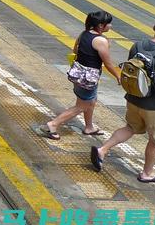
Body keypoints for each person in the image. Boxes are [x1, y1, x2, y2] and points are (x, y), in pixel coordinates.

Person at [92, 16, 155, 182]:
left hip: (133, 98)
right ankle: (147, 174)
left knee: (130, 127)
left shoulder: (138, 45)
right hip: (154, 105)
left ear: (154, 27)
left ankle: (102, 150)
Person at [39, 11, 121, 140]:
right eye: (109, 23)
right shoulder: (100, 41)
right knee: (81, 106)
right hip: (88, 79)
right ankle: (52, 125)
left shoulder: (84, 34)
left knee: (91, 101)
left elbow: (75, 50)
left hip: (78, 74)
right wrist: (118, 76)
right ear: (101, 25)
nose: (110, 26)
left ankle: (89, 127)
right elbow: (108, 63)